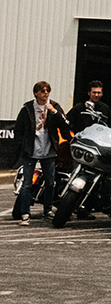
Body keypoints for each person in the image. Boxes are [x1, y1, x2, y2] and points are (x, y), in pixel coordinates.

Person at [13, 82, 70, 222]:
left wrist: (55, 113)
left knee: (51, 182)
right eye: (42, 91)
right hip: (31, 150)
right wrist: (21, 144)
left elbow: (65, 124)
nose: (45, 93)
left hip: (48, 150)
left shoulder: (54, 107)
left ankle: (48, 210)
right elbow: (18, 129)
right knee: (27, 183)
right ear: (36, 93)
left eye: (47, 91)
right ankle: (25, 212)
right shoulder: (27, 108)